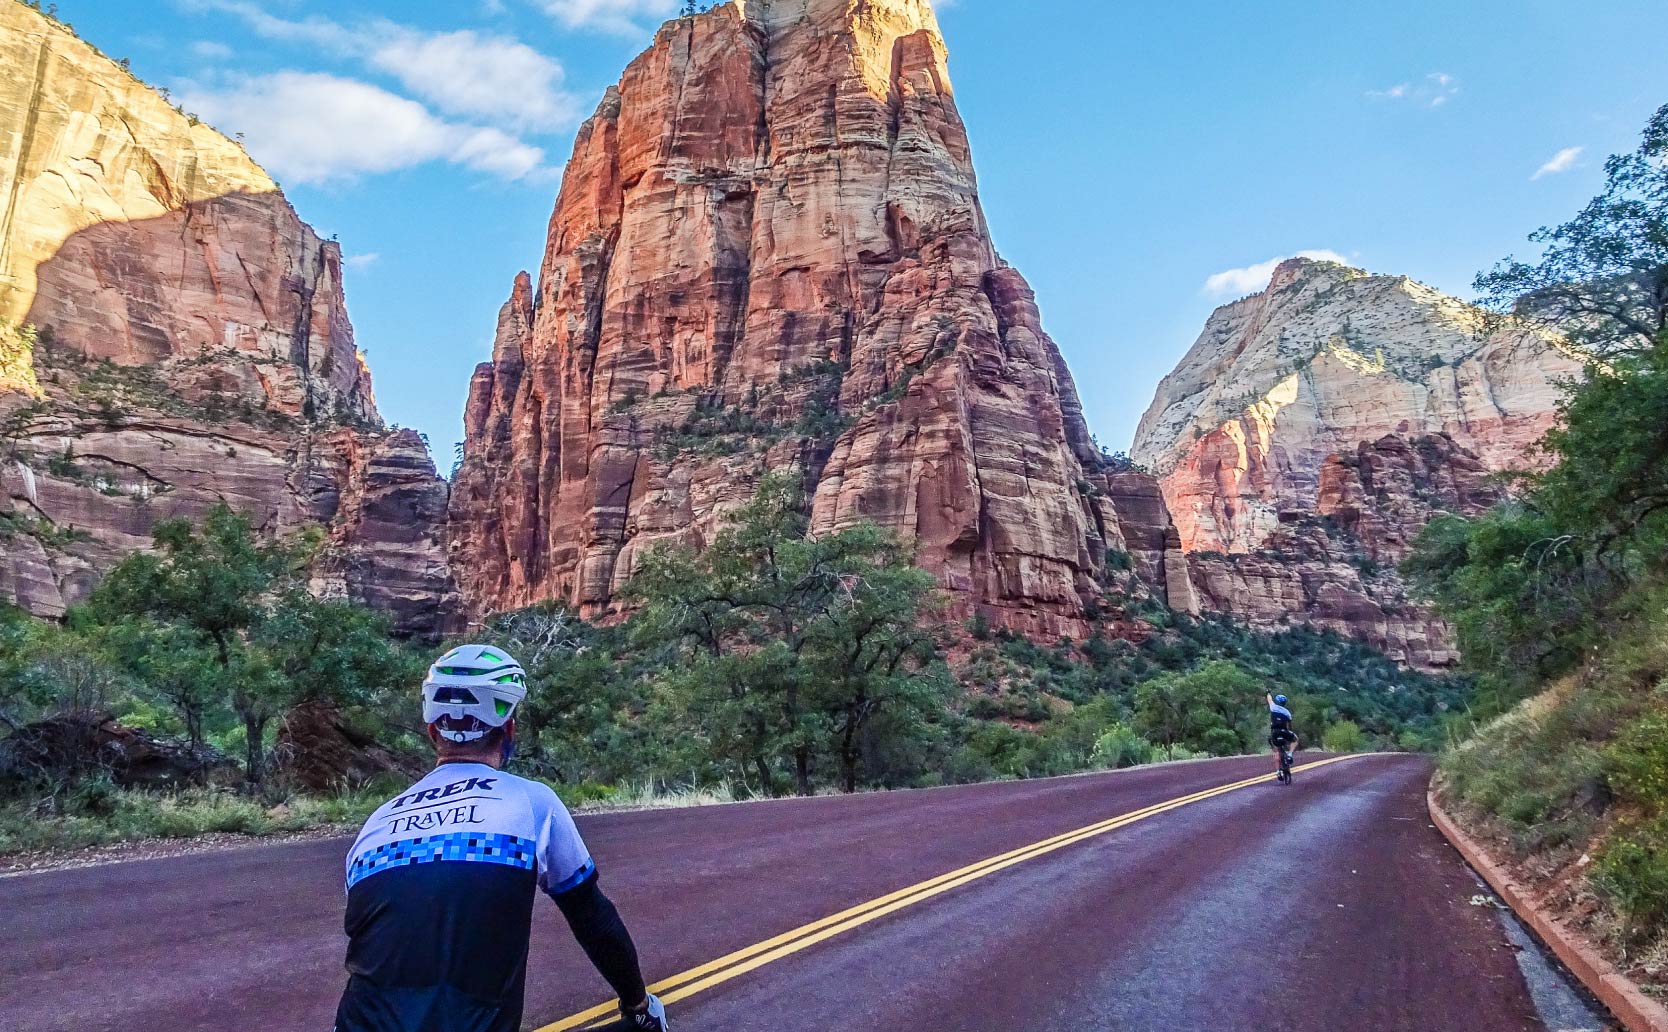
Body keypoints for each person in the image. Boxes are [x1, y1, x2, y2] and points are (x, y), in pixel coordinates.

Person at [333, 644, 667, 1032]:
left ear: (431, 733)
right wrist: (637, 1004)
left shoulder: (375, 826)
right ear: (509, 729)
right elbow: (591, 916)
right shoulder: (532, 803)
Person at [1267, 693, 1298, 777]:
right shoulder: (1287, 712)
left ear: (1277, 701)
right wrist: (1288, 732)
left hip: (1275, 732)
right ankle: (1290, 754)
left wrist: (1268, 693)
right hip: (1284, 732)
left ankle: (1277, 772)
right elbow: (1289, 725)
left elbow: (1269, 699)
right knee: (1295, 739)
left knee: (1276, 751)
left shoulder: (1273, 707)